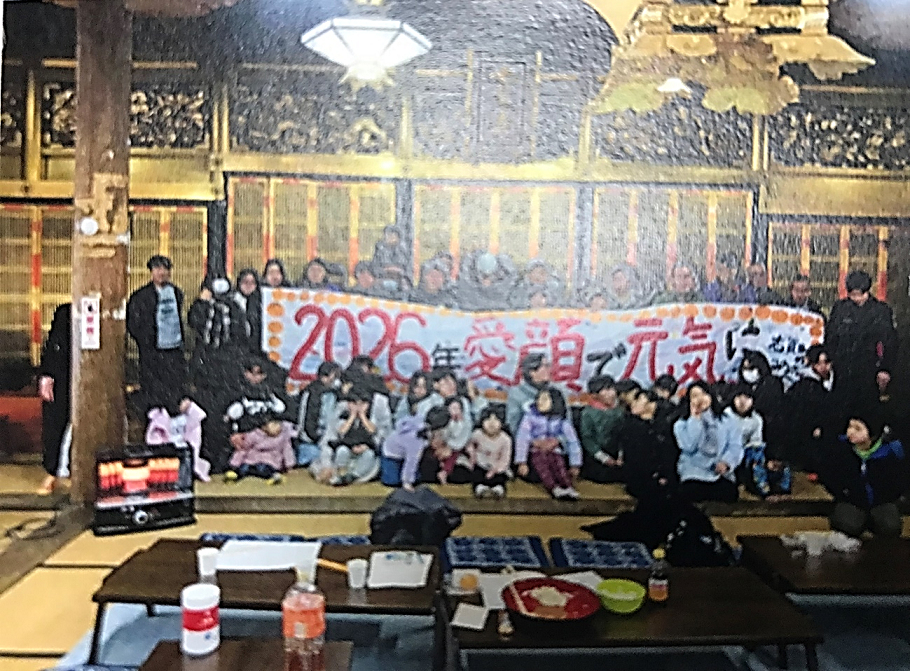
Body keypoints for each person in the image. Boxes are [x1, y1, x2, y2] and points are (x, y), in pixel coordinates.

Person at [818, 408, 906, 538]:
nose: (850, 432)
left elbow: (899, 479)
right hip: (852, 502)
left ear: (872, 433)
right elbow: (829, 474)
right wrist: (842, 492)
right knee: (846, 524)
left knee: (890, 526)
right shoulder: (842, 450)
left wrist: (891, 497)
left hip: (881, 502)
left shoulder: (889, 452)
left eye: (858, 429)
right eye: (850, 426)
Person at [825, 270, 898, 407]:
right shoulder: (840, 309)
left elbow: (890, 342)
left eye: (860, 295)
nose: (856, 299)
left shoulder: (881, 311)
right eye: (853, 295)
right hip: (843, 369)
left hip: (870, 370)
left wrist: (885, 368)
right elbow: (831, 337)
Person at [126, 255, 187, 413]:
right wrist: (145, 341)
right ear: (151, 271)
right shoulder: (141, 296)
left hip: (173, 349)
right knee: (152, 388)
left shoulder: (176, 293)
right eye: (157, 268)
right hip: (152, 351)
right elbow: (132, 323)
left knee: (173, 386)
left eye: (165, 268)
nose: (162, 272)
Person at [221, 356, 292, 475]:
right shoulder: (235, 390)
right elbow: (229, 416)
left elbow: (281, 412)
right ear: (245, 372)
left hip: (268, 440)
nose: (254, 377)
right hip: (244, 440)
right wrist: (232, 434)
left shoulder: (272, 393)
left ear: (264, 375)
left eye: (259, 373)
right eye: (251, 372)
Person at [674, 382, 743, 503]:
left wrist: (726, 463)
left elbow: (735, 446)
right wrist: (695, 419)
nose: (701, 398)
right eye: (695, 396)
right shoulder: (681, 424)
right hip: (693, 473)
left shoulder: (727, 420)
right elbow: (689, 446)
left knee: (729, 493)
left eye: (704, 394)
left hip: (719, 474)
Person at [514, 386, 583, 501]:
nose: (539, 402)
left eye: (545, 399)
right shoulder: (529, 417)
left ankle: (568, 487)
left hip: (555, 451)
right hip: (535, 451)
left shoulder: (561, 420)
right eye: (539, 399)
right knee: (543, 466)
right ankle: (554, 488)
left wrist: (575, 464)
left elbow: (572, 440)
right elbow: (522, 437)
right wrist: (522, 462)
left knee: (559, 465)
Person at [313, 382, 386, 486]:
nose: (358, 406)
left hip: (364, 451)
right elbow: (341, 431)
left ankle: (353, 476)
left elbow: (373, 431)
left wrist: (362, 416)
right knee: (342, 451)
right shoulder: (342, 413)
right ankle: (341, 474)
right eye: (354, 403)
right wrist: (352, 416)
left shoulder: (372, 417)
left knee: (369, 456)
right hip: (344, 449)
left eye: (363, 403)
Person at [725, 384, 791, 499]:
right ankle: (764, 491)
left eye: (747, 398)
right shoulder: (725, 415)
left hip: (746, 452)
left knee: (769, 461)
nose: (742, 401)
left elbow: (756, 443)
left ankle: (782, 489)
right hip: (727, 452)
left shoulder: (756, 419)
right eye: (739, 397)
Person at [785, 345, 841, 474]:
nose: (823, 367)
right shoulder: (803, 386)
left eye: (826, 362)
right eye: (818, 363)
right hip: (809, 436)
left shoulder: (840, 381)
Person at [37, 303, 71, 495]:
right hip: (61, 378)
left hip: (87, 377)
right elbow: (53, 348)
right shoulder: (65, 314)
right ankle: (52, 471)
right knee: (55, 425)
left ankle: (69, 471)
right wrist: (47, 374)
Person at [736, 349, 788, 474]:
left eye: (751, 368)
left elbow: (769, 405)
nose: (748, 372)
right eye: (745, 369)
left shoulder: (773, 383)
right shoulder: (742, 387)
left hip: (769, 429)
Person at [622, 389, 678, 502]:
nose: (633, 403)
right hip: (640, 478)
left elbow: (669, 452)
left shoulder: (666, 423)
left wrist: (664, 474)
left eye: (638, 399)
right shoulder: (630, 425)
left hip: (664, 476)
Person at [381, 406, 451, 491]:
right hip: (390, 454)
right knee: (392, 482)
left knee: (417, 478)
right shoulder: (416, 439)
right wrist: (407, 482)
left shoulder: (421, 419)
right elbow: (411, 460)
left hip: (402, 449)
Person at [145, 395, 210, 482]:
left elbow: (199, 416)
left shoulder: (191, 417)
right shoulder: (159, 417)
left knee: (185, 465)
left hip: (184, 450)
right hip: (167, 454)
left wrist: (190, 406)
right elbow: (153, 439)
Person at [224, 413, 297, 485]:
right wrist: (234, 464)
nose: (278, 427)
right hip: (251, 461)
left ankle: (275, 477)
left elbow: (288, 451)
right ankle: (234, 476)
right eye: (274, 424)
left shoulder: (284, 437)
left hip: (270, 462)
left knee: (264, 469)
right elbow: (243, 449)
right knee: (244, 468)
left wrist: (289, 467)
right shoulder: (254, 435)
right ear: (263, 427)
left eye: (279, 424)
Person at [579, 375, 625, 484]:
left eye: (612, 389)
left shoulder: (620, 411)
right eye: (606, 390)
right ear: (594, 395)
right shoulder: (588, 413)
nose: (612, 393)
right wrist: (604, 458)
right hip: (598, 456)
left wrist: (621, 455)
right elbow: (587, 438)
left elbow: (624, 435)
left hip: (618, 454)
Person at [295, 361, 341, 466]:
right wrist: (315, 437)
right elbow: (304, 418)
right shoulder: (311, 392)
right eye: (335, 376)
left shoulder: (335, 393)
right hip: (311, 440)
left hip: (329, 438)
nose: (336, 380)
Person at [464, 406, 512, 499]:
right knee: (477, 474)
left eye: (496, 420)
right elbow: (469, 445)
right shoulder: (477, 434)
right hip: (481, 463)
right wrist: (472, 455)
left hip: (497, 466)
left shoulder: (505, 439)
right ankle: (480, 488)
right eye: (488, 419)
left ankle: (498, 488)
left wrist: (496, 469)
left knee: (501, 476)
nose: (491, 423)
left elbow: (505, 458)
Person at [506, 353, 550, 436]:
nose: (549, 369)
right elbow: (513, 425)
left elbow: (567, 421)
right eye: (546, 366)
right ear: (532, 372)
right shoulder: (516, 393)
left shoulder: (557, 391)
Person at [233, 269, 262, 353]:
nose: (248, 285)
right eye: (245, 282)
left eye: (252, 282)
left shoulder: (260, 305)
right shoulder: (232, 302)